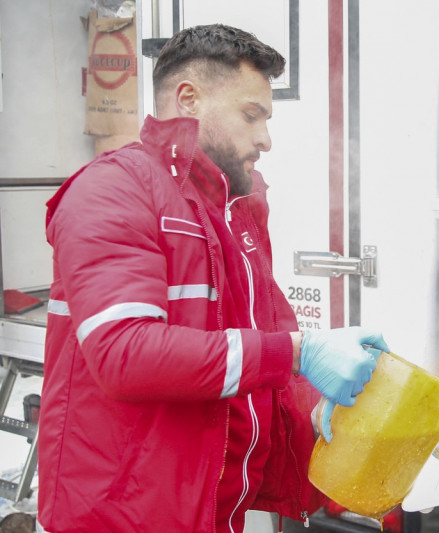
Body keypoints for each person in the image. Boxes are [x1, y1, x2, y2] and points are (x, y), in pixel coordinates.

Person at [38, 24, 389, 532]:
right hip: (120, 516)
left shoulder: (235, 211)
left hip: (211, 510)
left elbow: (263, 348)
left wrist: (320, 411)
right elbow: (124, 353)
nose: (265, 139)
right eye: (252, 116)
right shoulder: (112, 188)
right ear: (188, 99)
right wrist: (297, 351)